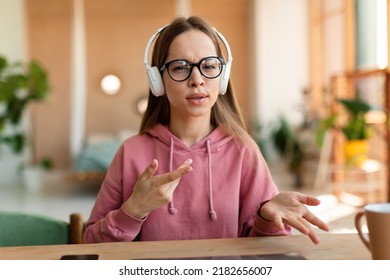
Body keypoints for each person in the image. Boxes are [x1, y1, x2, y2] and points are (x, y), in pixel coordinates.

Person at [83, 16, 329, 245]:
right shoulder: (131, 152)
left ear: (222, 76)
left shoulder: (243, 150)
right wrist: (133, 211)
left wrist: (267, 218)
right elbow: (91, 244)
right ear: (157, 81)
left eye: (209, 66)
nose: (197, 79)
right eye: (180, 67)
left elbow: (265, 254)